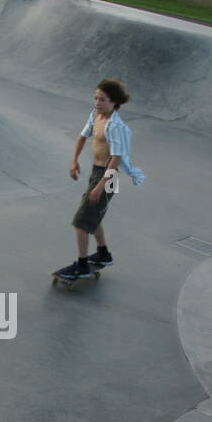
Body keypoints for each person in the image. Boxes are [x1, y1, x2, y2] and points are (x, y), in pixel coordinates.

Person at [55, 80, 145, 282]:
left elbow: (116, 158)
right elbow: (81, 137)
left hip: (109, 175)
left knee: (81, 221)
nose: (97, 102)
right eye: (95, 97)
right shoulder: (95, 116)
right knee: (92, 215)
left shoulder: (115, 126)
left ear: (114, 102)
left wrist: (100, 186)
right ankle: (103, 253)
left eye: (102, 99)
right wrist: (73, 161)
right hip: (96, 172)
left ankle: (82, 265)